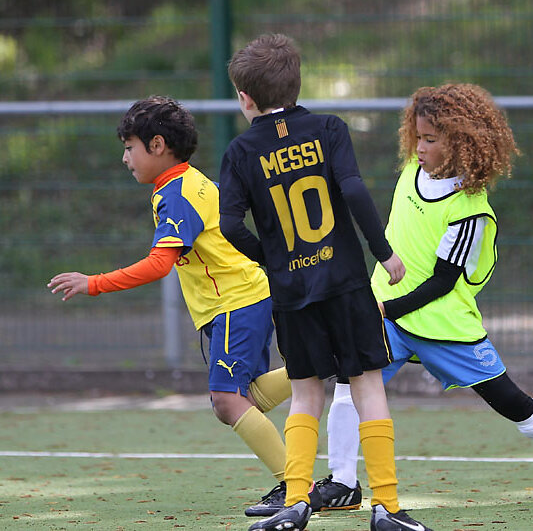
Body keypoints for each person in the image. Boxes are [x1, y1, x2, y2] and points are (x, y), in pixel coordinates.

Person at [219, 33, 433, 531]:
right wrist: (383, 251)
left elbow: (230, 225)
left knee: (305, 393)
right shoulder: (329, 128)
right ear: (297, 84)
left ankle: (296, 503)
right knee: (367, 386)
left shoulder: (240, 151)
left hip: (292, 291)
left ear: (245, 98)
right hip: (345, 282)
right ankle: (386, 507)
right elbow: (353, 190)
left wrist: (273, 261)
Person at [47, 95, 297, 508]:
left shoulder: (177, 193)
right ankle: (318, 367)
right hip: (243, 300)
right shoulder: (186, 182)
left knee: (227, 400)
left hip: (235, 303)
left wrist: (94, 283)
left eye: (129, 147)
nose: (125, 158)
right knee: (241, 398)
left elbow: (158, 264)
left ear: (158, 145)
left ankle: (296, 484)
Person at [323, 83, 533, 497]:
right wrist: (380, 307)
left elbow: (442, 283)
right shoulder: (411, 171)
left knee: (511, 401)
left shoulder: (470, 210)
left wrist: (385, 309)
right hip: (387, 314)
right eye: (418, 136)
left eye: (431, 140)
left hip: (441, 324)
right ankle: (342, 482)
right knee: (348, 384)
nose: (419, 147)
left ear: (461, 145)